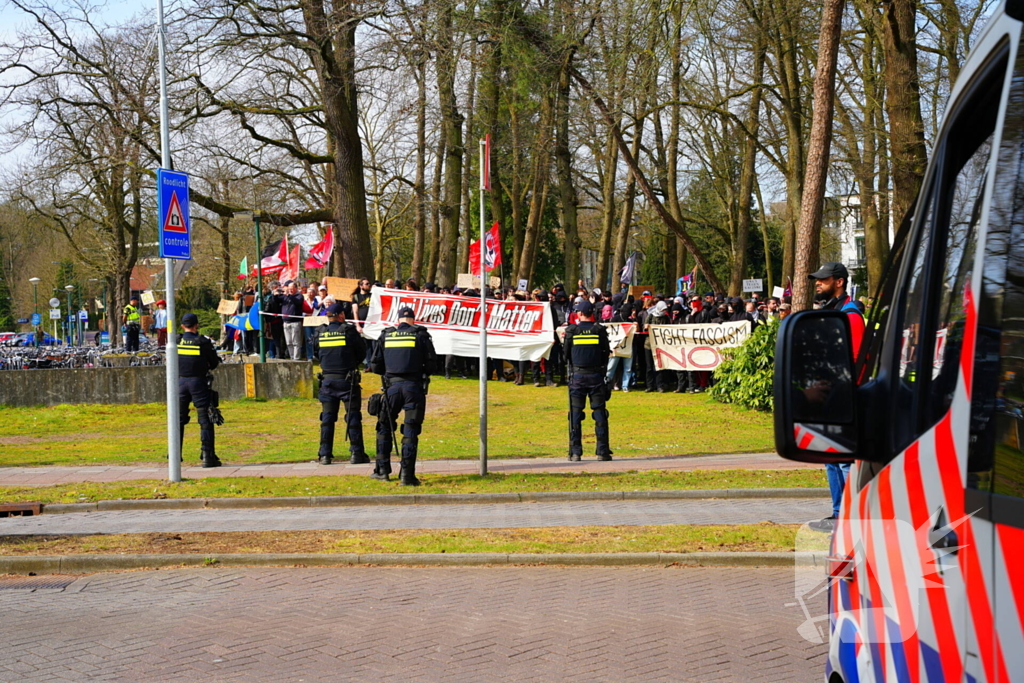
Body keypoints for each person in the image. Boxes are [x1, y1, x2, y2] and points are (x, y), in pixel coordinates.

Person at [806, 261, 865, 533]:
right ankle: (838, 512)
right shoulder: (834, 311)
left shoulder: (850, 315)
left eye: (824, 279)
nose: (818, 283)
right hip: (830, 395)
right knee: (831, 458)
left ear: (839, 282)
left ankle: (849, 514)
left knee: (842, 460)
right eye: (817, 279)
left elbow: (853, 359)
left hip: (843, 396)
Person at [369, 305, 438, 485]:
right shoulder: (421, 335)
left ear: (398, 320)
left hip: (391, 387)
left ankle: (382, 470)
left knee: (384, 427)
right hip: (413, 388)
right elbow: (432, 365)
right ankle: (407, 476)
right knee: (410, 431)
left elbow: (375, 365)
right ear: (413, 320)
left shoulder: (386, 335)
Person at [313, 302, 367, 465]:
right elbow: (361, 353)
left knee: (327, 419)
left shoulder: (320, 332)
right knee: (353, 417)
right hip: (347, 380)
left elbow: (316, 354)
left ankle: (325, 455)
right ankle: (356, 454)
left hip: (328, 381)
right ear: (341, 315)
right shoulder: (349, 331)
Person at [564, 300, 613, 462]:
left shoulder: (572, 331)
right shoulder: (599, 330)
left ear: (579, 313)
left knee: (575, 415)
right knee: (599, 413)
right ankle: (602, 451)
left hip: (577, 377)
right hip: (596, 377)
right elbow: (606, 352)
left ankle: (576, 452)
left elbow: (565, 356)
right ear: (592, 313)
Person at [176, 312, 222, 468]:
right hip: (198, 383)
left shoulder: (176, 341)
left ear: (182, 326)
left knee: (178, 420)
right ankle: (208, 457)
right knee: (206, 418)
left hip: (180, 383)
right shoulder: (203, 342)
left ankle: (175, 456)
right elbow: (214, 363)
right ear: (197, 325)